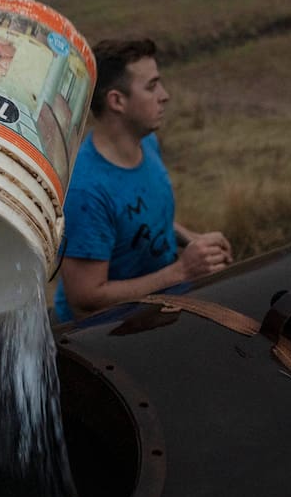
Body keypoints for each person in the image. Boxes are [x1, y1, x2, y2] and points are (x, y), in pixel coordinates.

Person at [54, 38, 233, 323]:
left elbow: (137, 217)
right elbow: (85, 300)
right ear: (117, 101)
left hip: (158, 309)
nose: (165, 95)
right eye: (151, 86)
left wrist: (193, 240)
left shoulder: (147, 143)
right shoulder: (86, 191)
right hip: (107, 336)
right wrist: (182, 271)